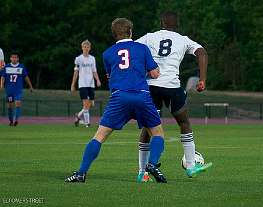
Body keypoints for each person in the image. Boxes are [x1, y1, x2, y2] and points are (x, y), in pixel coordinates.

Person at [65, 18, 167, 183]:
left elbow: (111, 76)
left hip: (119, 97)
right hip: (141, 95)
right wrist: (144, 72)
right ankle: (152, 164)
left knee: (99, 136)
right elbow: (155, 74)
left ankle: (81, 173)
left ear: (114, 35)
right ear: (131, 32)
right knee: (157, 133)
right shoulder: (142, 48)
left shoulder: (107, 53)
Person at [136, 11, 212, 182]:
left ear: (161, 22)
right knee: (184, 123)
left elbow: (132, 50)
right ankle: (191, 166)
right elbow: (202, 52)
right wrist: (202, 79)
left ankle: (142, 173)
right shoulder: (183, 39)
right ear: (177, 24)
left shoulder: (149, 37)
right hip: (172, 86)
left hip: (150, 86)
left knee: (148, 129)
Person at [71, 40, 101, 128]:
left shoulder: (92, 58)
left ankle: (78, 115)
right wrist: (73, 84)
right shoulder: (78, 59)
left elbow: (94, 71)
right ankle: (87, 123)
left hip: (91, 84)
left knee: (91, 104)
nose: (86, 48)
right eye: (84, 47)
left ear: (90, 48)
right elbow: (75, 72)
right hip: (82, 84)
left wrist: (98, 80)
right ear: (82, 47)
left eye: (87, 47)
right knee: (86, 103)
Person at [0, 52, 34, 126]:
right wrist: (1, 85)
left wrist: (30, 86)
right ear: (10, 58)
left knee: (18, 103)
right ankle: (11, 121)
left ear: (18, 59)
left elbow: (26, 77)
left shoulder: (21, 67)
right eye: (13, 57)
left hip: (18, 90)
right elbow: (3, 77)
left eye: (16, 57)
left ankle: (16, 120)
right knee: (10, 106)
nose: (14, 59)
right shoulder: (6, 67)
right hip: (9, 90)